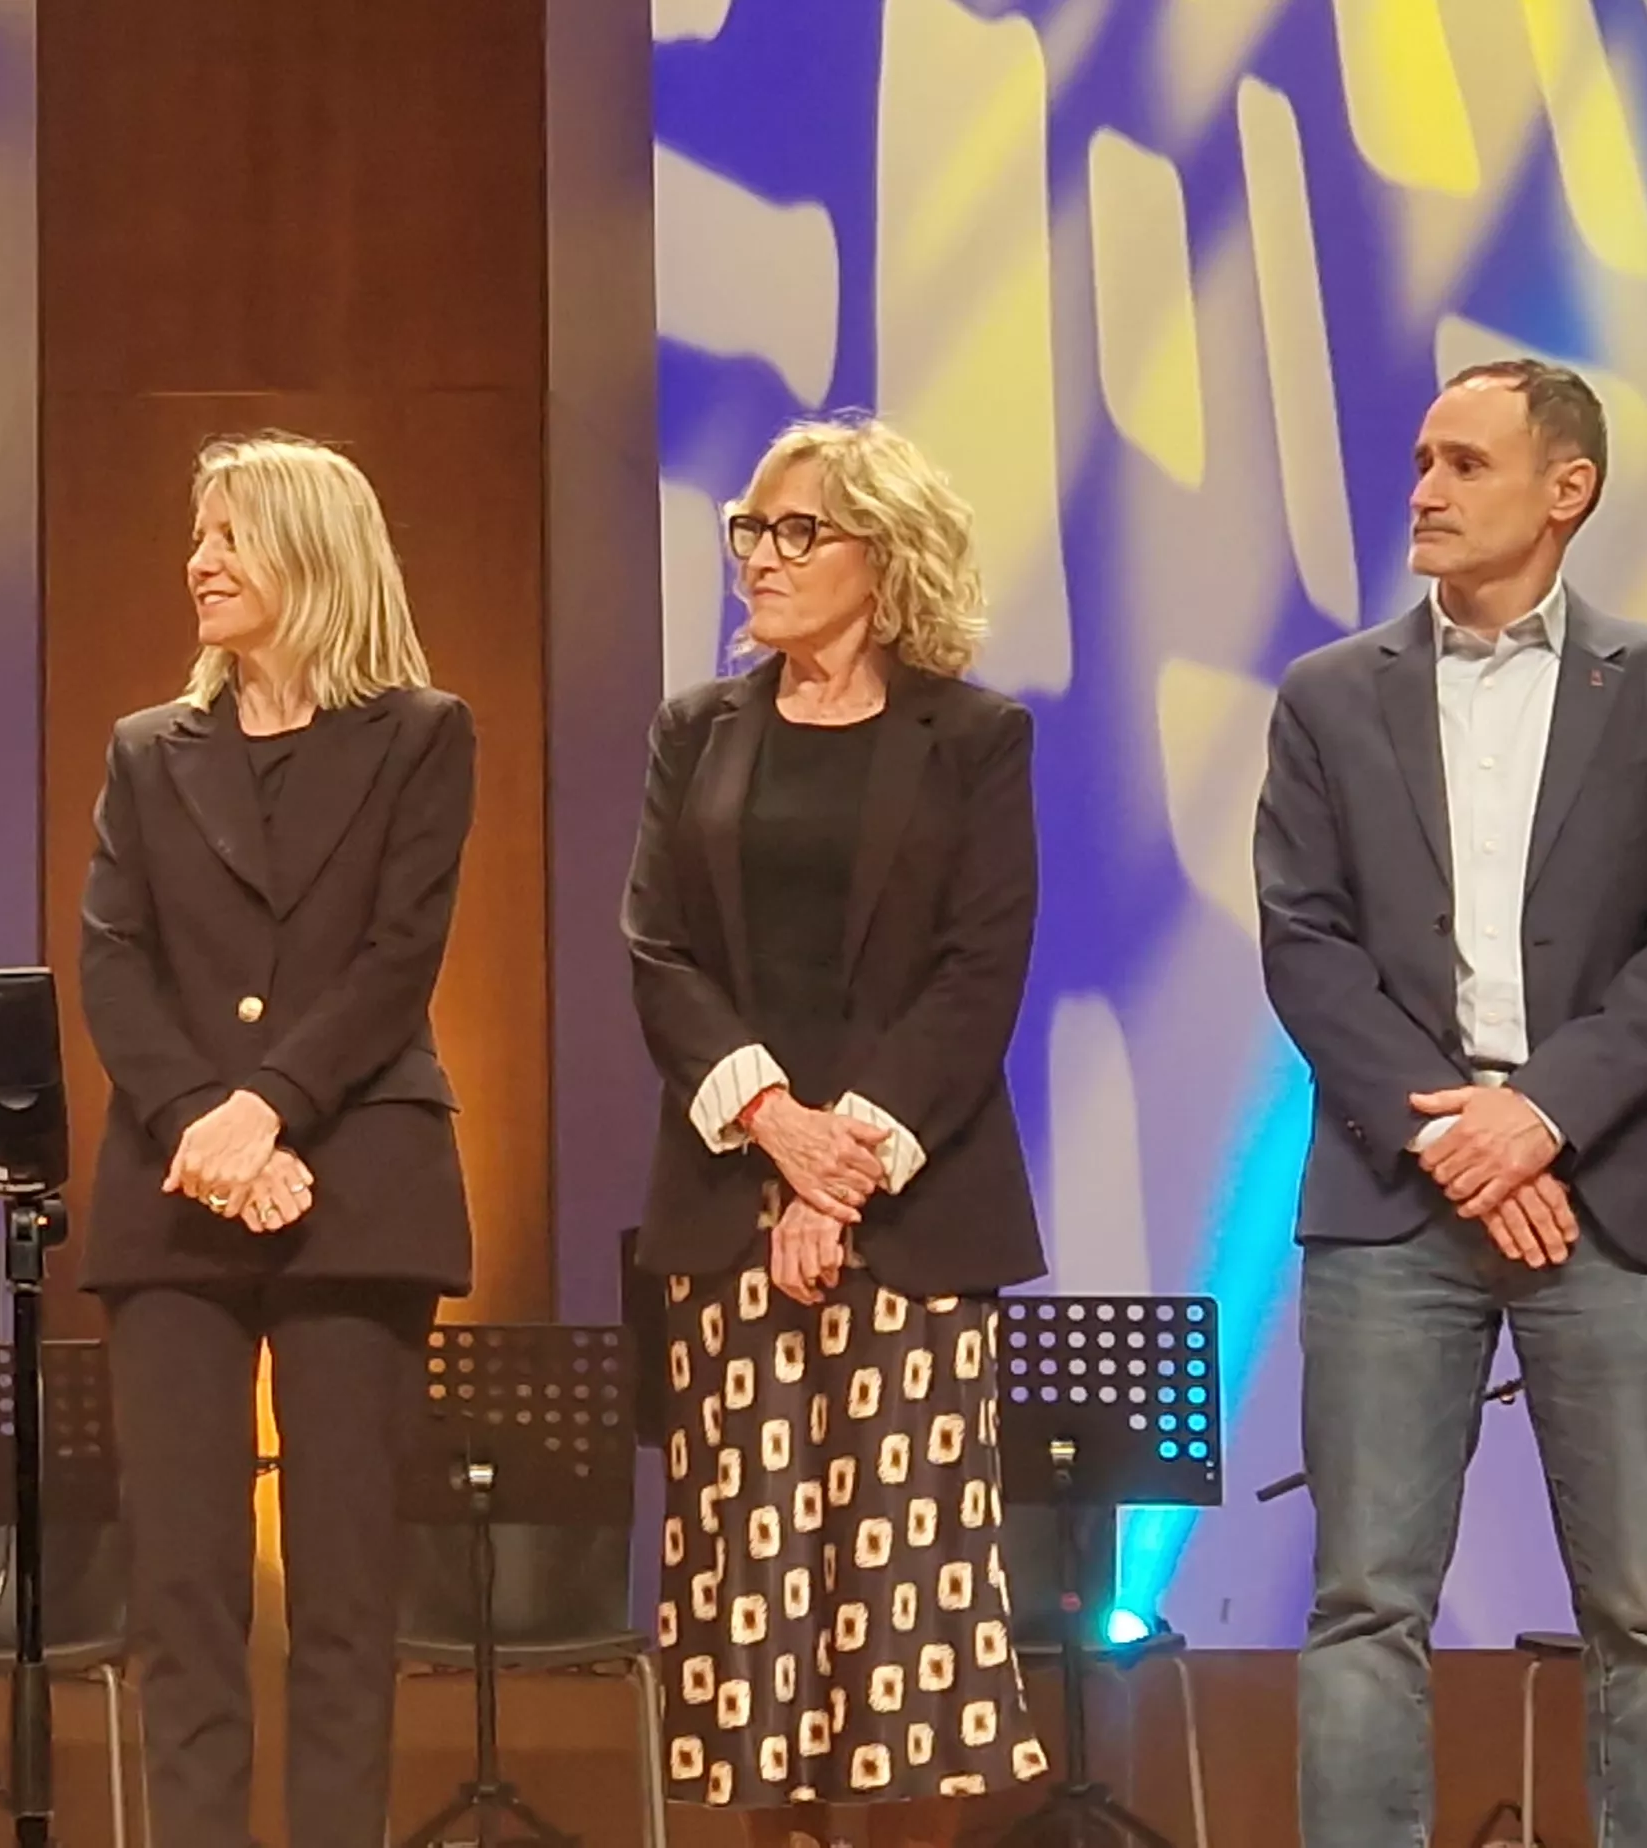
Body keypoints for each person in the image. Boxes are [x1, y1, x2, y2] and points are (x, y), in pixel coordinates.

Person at [1257, 358, 1647, 1848]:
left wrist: (1536, 1119)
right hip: (1391, 1191)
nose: (1423, 488)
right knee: (1363, 1604)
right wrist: (1449, 1132)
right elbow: (1306, 940)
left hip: (1608, 1188)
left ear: (1566, 490)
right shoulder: (1331, 696)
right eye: (1420, 459)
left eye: (1463, 463)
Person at [620, 414, 1051, 1827]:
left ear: (887, 557)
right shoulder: (700, 730)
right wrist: (775, 1134)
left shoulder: (976, 739)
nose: (764, 557)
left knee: (900, 1602)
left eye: (799, 532)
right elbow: (658, 952)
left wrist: (839, 1169)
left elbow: (976, 969)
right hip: (730, 1205)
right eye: (752, 530)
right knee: (749, 1588)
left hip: (908, 1214)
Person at [78, 433, 474, 1848]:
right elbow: (112, 965)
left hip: (357, 1180)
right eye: (198, 535)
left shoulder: (424, 734)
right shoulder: (146, 749)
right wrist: (203, 1118)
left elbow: (395, 957)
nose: (200, 562)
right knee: (181, 1591)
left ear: (312, 553)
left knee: (345, 1593)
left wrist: (268, 1109)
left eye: (232, 537)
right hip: (174, 1189)